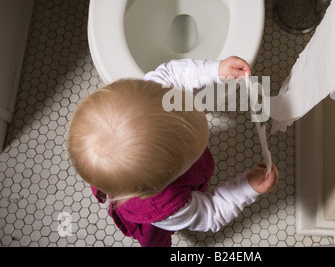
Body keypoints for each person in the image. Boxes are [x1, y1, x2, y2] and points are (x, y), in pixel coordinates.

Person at [67, 56, 279, 247]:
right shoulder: (169, 206)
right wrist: (248, 187)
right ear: (171, 178)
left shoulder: (152, 93)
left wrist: (215, 70)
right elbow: (210, 214)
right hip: (157, 214)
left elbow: (172, 74)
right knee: (158, 240)